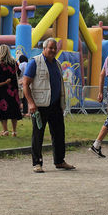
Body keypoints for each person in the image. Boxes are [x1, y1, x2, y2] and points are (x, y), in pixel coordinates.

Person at [23, 38, 75, 173]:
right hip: (40, 104)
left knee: (59, 134)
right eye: (50, 48)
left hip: (56, 104)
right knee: (38, 134)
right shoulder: (35, 62)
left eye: (54, 48)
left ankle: (59, 161)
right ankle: (37, 162)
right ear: (44, 48)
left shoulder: (57, 63)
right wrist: (30, 103)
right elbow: (25, 84)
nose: (53, 50)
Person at [0, 45, 22, 136]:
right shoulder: (14, 63)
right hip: (13, 90)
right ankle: (14, 131)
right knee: (13, 109)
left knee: (2, 109)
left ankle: (5, 130)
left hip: (1, 90)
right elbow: (19, 73)